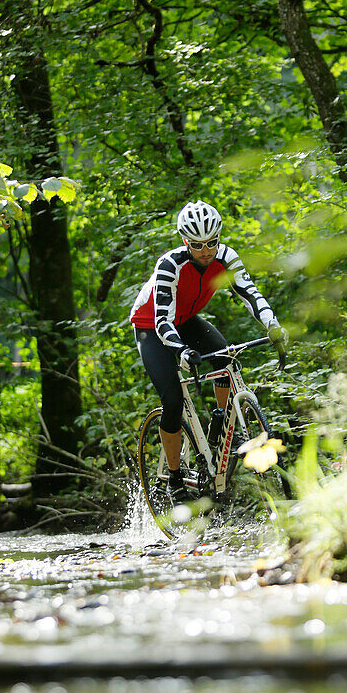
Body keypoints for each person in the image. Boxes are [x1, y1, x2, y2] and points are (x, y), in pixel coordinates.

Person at [131, 200, 287, 504]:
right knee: (172, 399)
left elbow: (250, 294)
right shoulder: (169, 265)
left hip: (186, 319)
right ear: (185, 242)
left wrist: (273, 325)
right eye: (197, 244)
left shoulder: (227, 258)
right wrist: (182, 351)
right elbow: (163, 320)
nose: (206, 250)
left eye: (212, 242)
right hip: (151, 325)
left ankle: (222, 423)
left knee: (224, 355)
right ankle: (174, 478)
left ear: (219, 237)